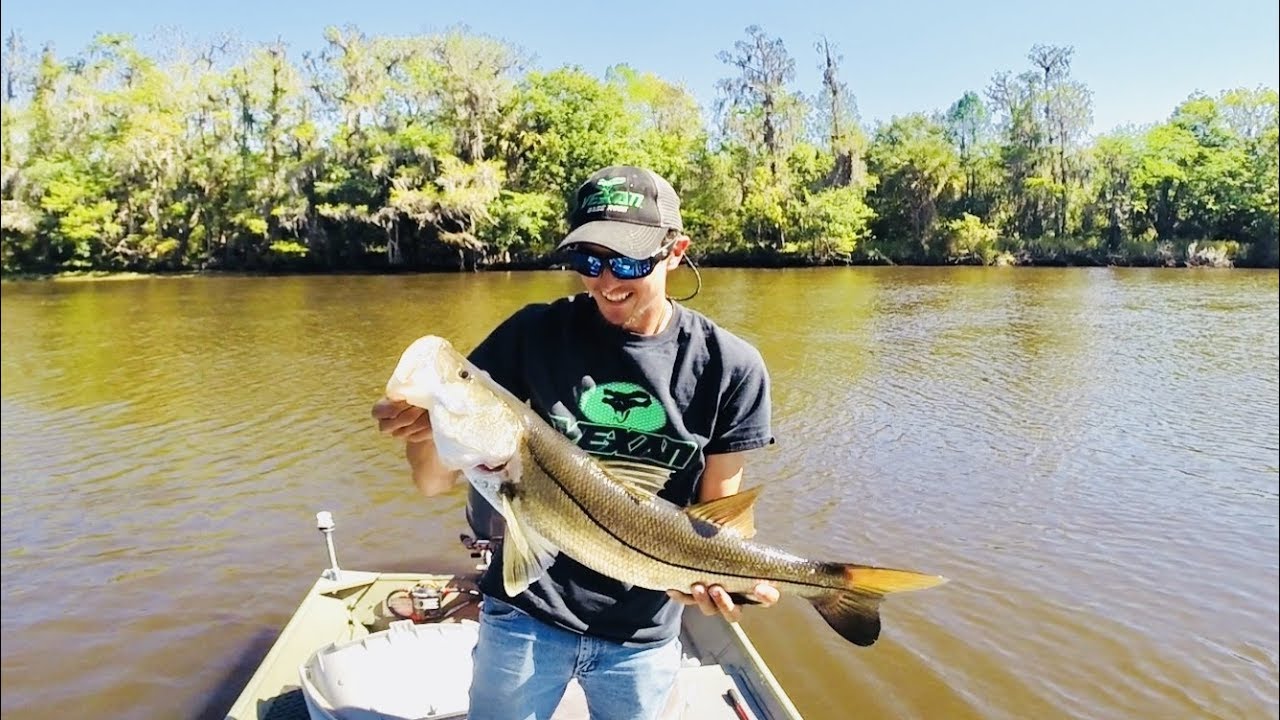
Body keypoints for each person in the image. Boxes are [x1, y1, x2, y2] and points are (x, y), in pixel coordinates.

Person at [371, 165, 779, 720]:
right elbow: (431, 479)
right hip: (525, 617)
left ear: (676, 250)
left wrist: (714, 584)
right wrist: (423, 423)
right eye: (589, 259)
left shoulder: (731, 368)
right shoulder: (534, 333)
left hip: (643, 632)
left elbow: (716, 521)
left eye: (630, 261)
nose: (607, 281)